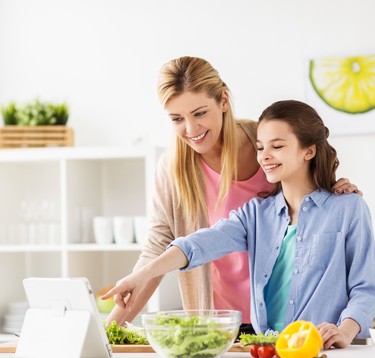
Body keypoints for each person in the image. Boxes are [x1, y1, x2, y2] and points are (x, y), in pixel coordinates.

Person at [106, 57, 361, 334]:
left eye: (200, 113)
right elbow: (168, 248)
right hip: (219, 322)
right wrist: (108, 331)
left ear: (223, 101)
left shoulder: (267, 144)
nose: (191, 130)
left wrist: (336, 189)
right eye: (177, 119)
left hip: (290, 318)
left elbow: (311, 190)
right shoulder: (174, 170)